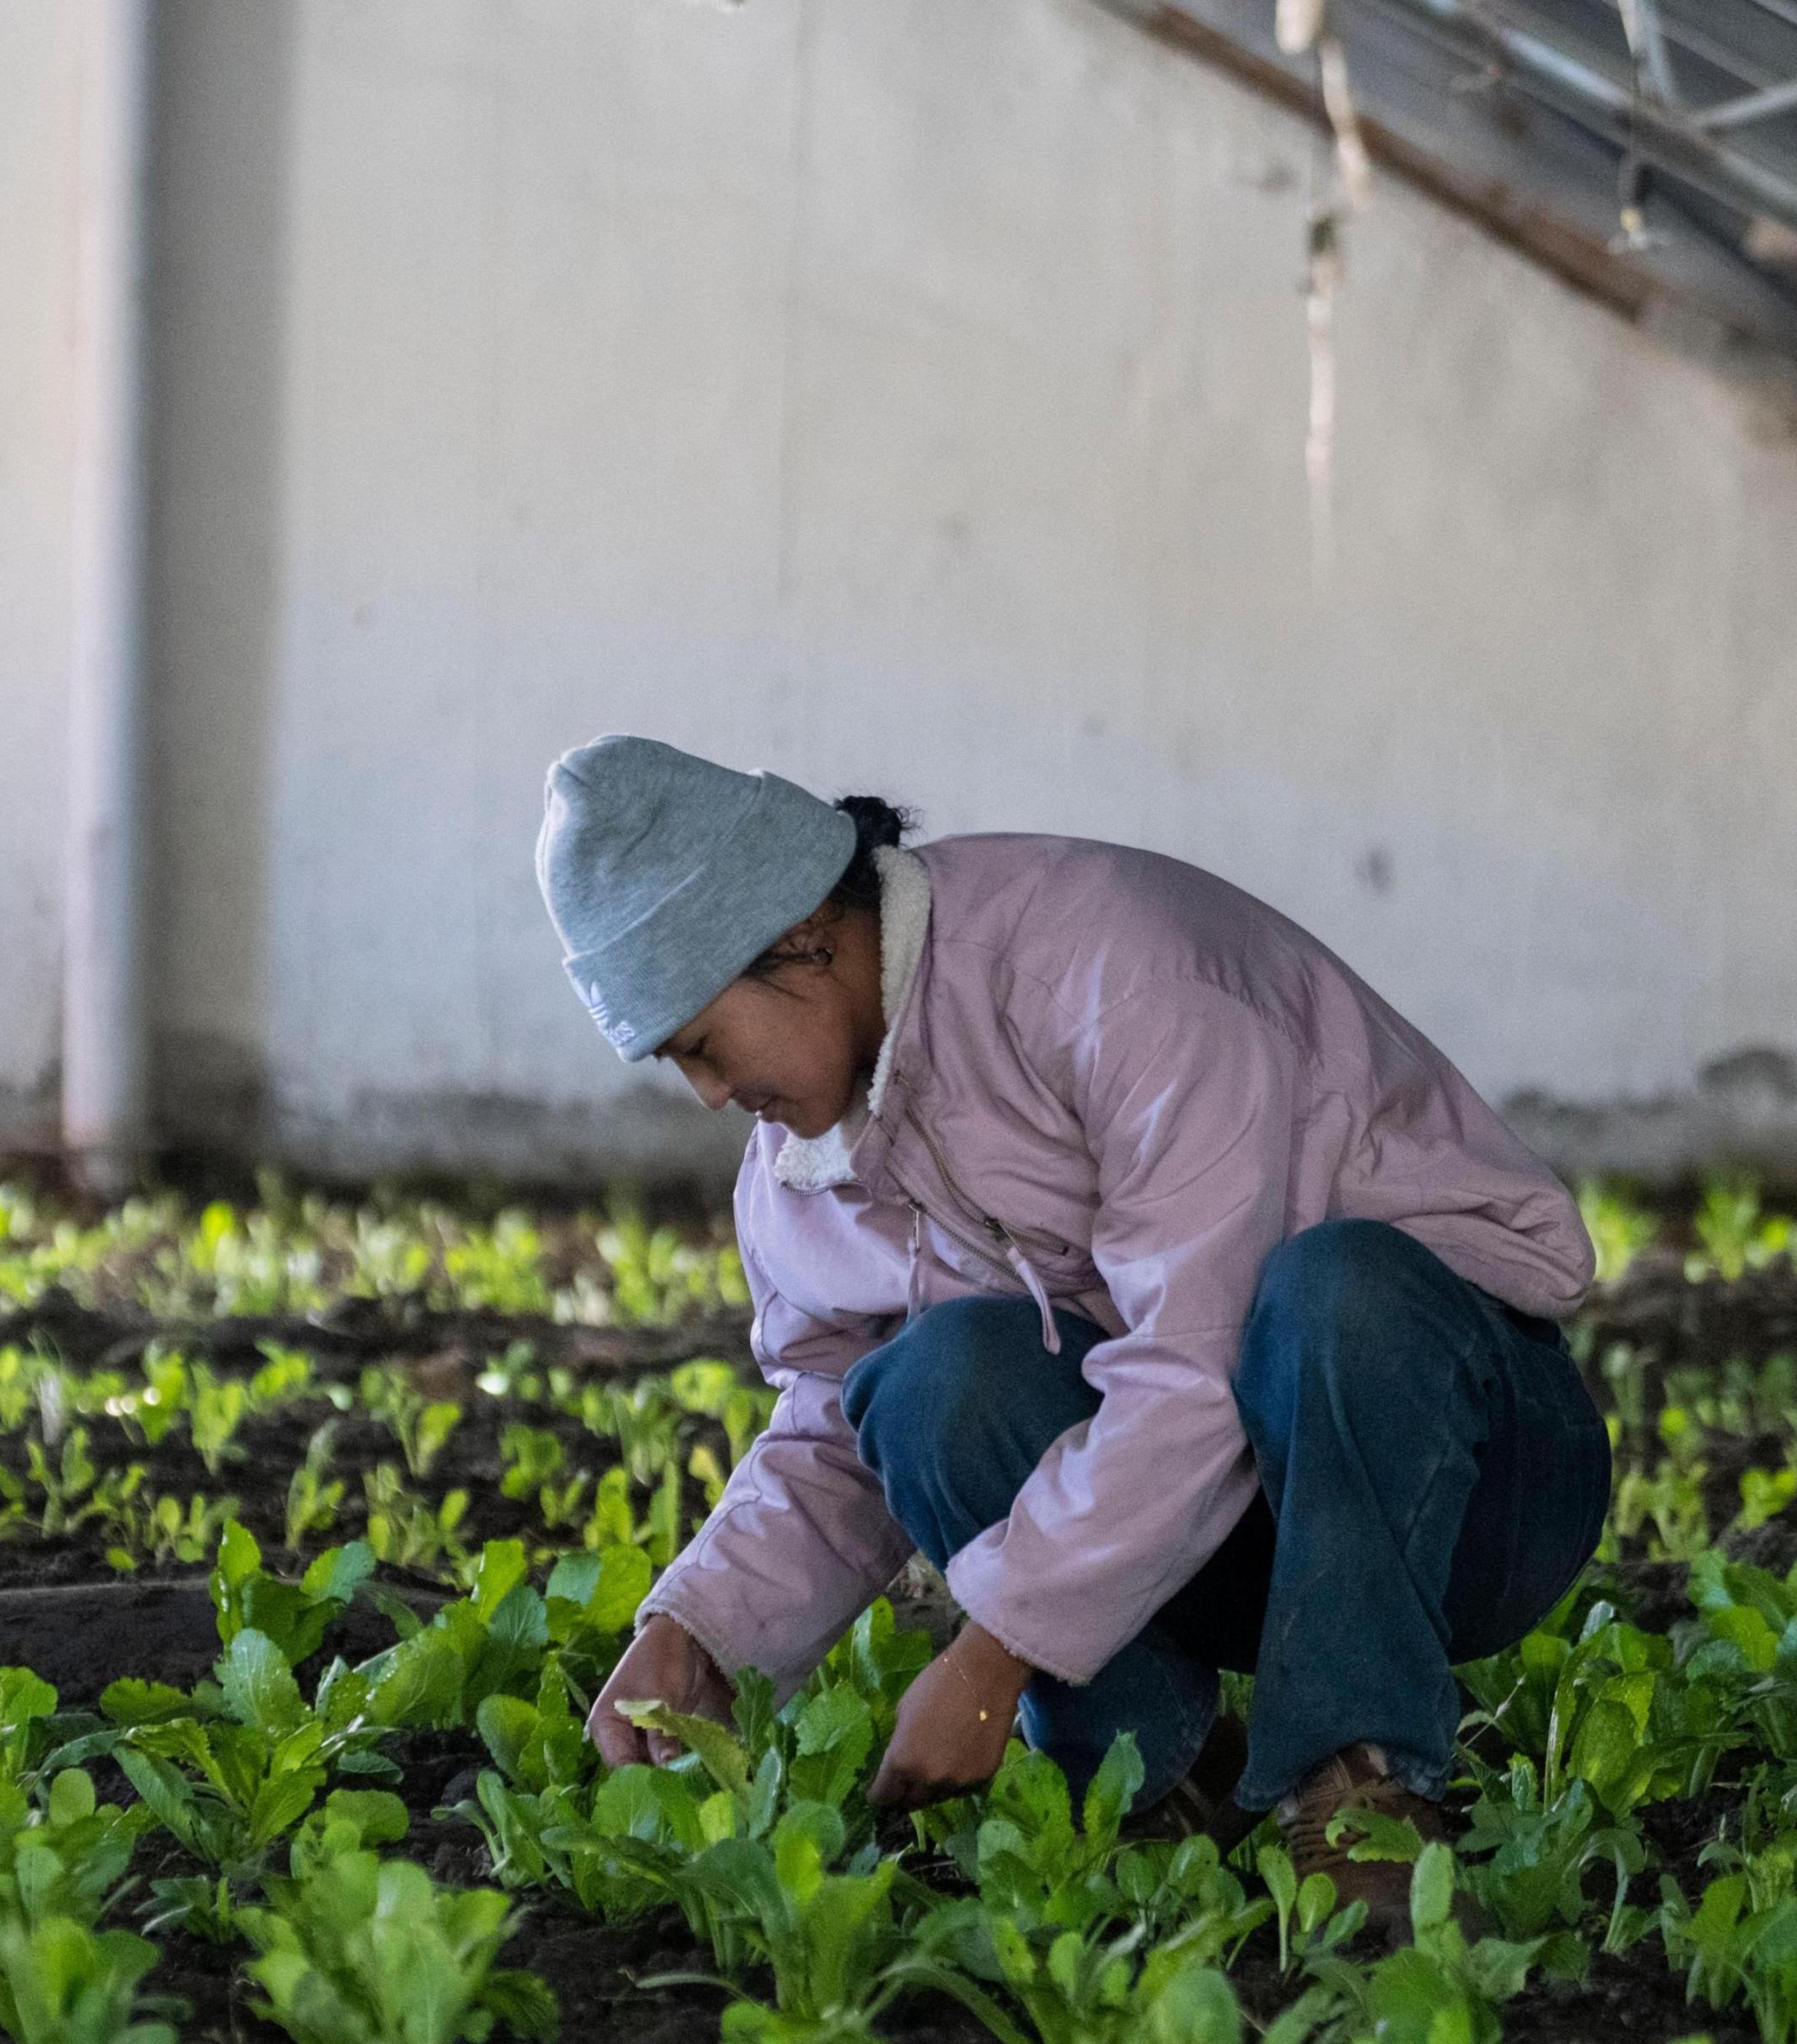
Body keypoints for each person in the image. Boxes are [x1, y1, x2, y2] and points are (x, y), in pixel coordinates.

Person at [534, 734, 1609, 1879]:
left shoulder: (1109, 969)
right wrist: (697, 1631)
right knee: (925, 1385)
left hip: (1472, 1488)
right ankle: (1161, 1789)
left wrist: (993, 1661)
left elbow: (1195, 1360)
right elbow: (831, 1439)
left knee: (1331, 1290)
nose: (710, 1096)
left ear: (797, 937)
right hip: (1221, 1547)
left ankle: (1359, 1792)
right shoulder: (801, 1172)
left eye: (703, 1043)